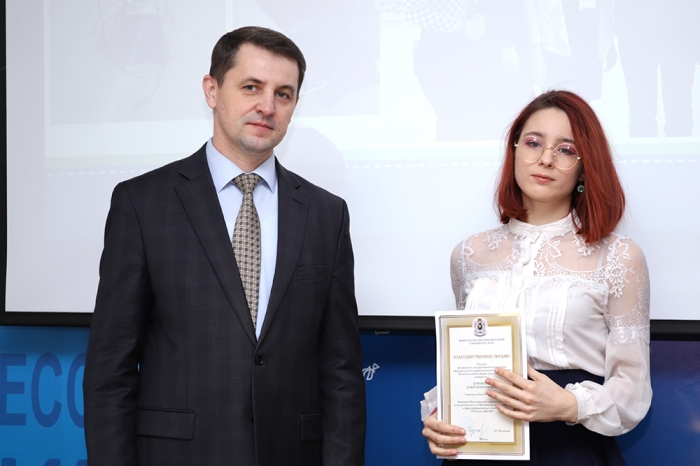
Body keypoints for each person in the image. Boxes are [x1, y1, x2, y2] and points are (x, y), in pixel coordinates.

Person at [83, 26, 366, 466]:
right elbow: (110, 372)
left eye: (284, 94)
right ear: (212, 90)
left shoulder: (326, 214)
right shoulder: (142, 204)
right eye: (251, 87)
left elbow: (341, 373)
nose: (267, 106)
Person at [420, 90, 651, 465]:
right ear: (514, 150)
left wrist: (568, 404)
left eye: (566, 150)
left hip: (570, 447)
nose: (546, 158)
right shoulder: (468, 255)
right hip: (480, 447)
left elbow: (632, 386)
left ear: (584, 167)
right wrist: (439, 415)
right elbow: (467, 360)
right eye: (533, 143)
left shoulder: (619, 257)